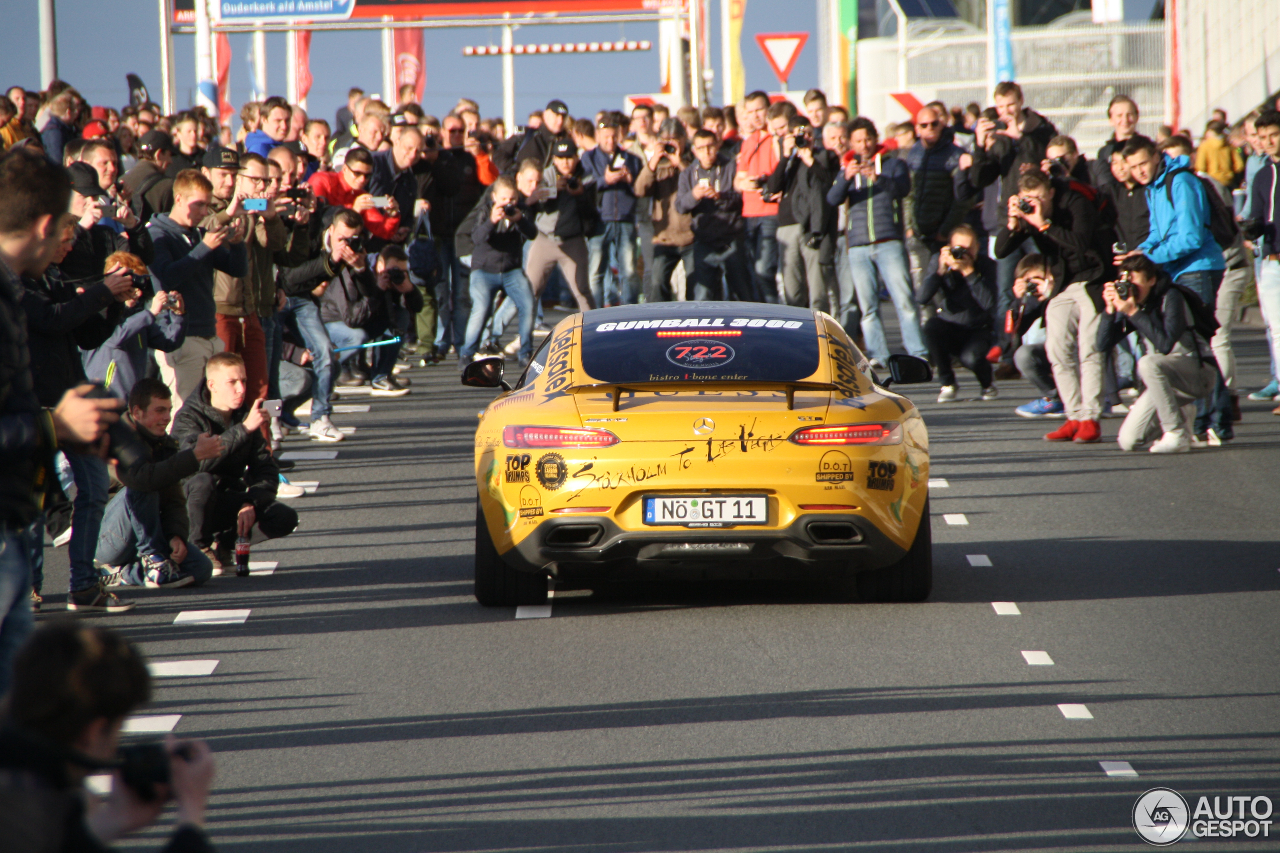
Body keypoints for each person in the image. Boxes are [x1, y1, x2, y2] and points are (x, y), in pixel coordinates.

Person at [0, 149, 122, 687]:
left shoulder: (28, 281)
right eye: (66, 232)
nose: (68, 246)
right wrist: (53, 426)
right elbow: (50, 323)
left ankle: (79, 581)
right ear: (47, 224)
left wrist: (112, 300)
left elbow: (78, 329)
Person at [0, 622, 217, 850]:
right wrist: (191, 812)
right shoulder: (29, 810)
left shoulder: (21, 782)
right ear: (93, 732)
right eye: (118, 729)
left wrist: (114, 819)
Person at [1123, 134, 1231, 441]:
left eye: (1143, 163)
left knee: (1198, 346)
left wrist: (1150, 256)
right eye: (1133, 167)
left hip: (1198, 269)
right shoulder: (1154, 187)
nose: (1140, 171)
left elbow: (1191, 237)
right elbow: (1157, 233)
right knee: (1188, 347)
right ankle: (1201, 421)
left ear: (1157, 156)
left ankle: (1215, 422)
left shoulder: (1180, 182)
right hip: (1177, 269)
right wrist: (1138, 254)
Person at [996, 170, 1109, 443]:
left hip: (1093, 277)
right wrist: (1014, 222)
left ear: (1050, 193)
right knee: (1057, 349)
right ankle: (1073, 416)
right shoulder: (1029, 212)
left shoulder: (1074, 201)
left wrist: (1044, 224)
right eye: (1027, 199)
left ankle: (1090, 419)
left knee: (1089, 350)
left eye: (1038, 198)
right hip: (1061, 284)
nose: (1033, 203)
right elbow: (1000, 251)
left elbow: (1082, 243)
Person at [172, 352, 298, 573]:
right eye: (232, 382)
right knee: (204, 481)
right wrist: (244, 429)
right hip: (188, 503)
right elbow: (196, 465)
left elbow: (266, 470)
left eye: (243, 381)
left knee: (285, 517)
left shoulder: (245, 415)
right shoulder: (188, 417)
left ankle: (224, 544)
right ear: (212, 385)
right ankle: (198, 547)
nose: (241, 389)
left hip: (226, 498)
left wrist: (250, 502)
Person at [97, 378, 219, 588]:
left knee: (201, 568)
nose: (167, 418)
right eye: (160, 410)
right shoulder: (118, 439)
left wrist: (175, 536)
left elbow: (174, 500)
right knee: (143, 484)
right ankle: (152, 558)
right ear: (137, 412)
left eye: (169, 410)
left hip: (147, 531)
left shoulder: (165, 444)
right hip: (107, 538)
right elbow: (140, 479)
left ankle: (127, 574)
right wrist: (194, 456)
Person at [826, 117, 928, 366]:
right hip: (858, 245)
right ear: (851, 143)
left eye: (868, 139)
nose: (864, 145)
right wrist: (845, 178)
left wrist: (877, 177)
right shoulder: (845, 168)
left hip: (889, 241)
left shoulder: (894, 164)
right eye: (858, 141)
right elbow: (832, 199)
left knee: (904, 300)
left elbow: (902, 189)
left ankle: (918, 353)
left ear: (876, 138)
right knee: (868, 306)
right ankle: (877, 354)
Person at [147, 167, 248, 405]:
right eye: (199, 205)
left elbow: (237, 269)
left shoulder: (197, 235)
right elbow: (167, 277)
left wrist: (237, 244)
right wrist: (204, 247)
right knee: (183, 412)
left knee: (213, 410)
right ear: (179, 199)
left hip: (208, 333)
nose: (204, 212)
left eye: (207, 206)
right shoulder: (158, 234)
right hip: (180, 336)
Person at [1099, 255, 1219, 452]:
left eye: (1135, 282)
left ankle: (1176, 432)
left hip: (1198, 374)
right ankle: (1183, 416)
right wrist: (1109, 310)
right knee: (1128, 441)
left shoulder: (1171, 296)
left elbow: (1165, 345)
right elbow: (1102, 345)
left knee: (1149, 363)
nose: (1130, 288)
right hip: (1165, 383)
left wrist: (1133, 313)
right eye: (1124, 282)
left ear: (1152, 280)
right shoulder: (1133, 303)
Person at [81, 251, 187, 402]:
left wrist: (178, 315)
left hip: (130, 401)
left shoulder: (138, 316)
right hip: (102, 398)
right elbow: (115, 338)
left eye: (139, 285)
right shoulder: (101, 310)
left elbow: (169, 342)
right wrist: (150, 312)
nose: (137, 292)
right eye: (131, 284)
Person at [458, 176, 537, 365]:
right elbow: (476, 238)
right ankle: (467, 353)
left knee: (528, 303)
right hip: (484, 270)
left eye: (512, 199)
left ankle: (525, 353)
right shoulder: (485, 210)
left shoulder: (521, 211)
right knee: (481, 308)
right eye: (504, 199)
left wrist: (520, 220)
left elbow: (532, 234)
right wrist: (491, 221)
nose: (508, 204)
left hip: (511, 270)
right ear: (494, 197)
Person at [320, 239, 416, 396]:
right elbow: (352, 319)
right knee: (357, 336)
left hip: (357, 319)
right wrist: (378, 290)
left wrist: (409, 289)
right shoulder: (348, 273)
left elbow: (415, 308)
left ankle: (381, 376)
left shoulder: (371, 272)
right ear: (379, 264)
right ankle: (325, 374)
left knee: (400, 316)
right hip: (333, 323)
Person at [915, 225, 997, 401]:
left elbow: (990, 304)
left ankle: (987, 385)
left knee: (971, 358)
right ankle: (947, 383)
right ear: (949, 247)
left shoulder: (986, 265)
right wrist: (940, 272)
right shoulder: (940, 261)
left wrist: (969, 273)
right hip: (949, 327)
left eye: (969, 249)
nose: (963, 254)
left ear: (978, 248)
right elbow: (922, 298)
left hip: (978, 329)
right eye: (959, 249)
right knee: (931, 326)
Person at [768, 115, 836, 313]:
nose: (803, 138)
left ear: (814, 135)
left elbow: (829, 184)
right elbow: (773, 187)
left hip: (812, 227)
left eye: (807, 133)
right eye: (799, 134)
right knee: (792, 290)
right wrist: (785, 155)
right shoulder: (789, 161)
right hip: (787, 227)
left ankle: (819, 333)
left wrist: (809, 160)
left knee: (818, 291)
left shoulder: (824, 157)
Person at [677, 129, 751, 301]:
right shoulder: (688, 173)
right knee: (703, 295)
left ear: (718, 145)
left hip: (731, 237)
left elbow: (742, 198)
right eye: (701, 148)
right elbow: (680, 206)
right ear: (694, 150)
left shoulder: (730, 166)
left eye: (710, 146)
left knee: (741, 291)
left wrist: (720, 197)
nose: (707, 152)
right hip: (704, 240)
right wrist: (694, 195)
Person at [524, 138, 597, 312]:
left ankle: (593, 331)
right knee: (528, 291)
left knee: (582, 290)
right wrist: (554, 189)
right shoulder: (546, 175)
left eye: (569, 157)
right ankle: (506, 333)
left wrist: (580, 195)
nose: (565, 162)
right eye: (560, 158)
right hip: (545, 239)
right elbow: (536, 201)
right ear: (554, 159)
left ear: (577, 158)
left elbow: (591, 214)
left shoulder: (586, 177)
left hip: (573, 240)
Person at [582, 114, 643, 307]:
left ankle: (631, 311)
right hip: (599, 220)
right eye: (606, 136)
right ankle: (594, 314)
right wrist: (605, 180)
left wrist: (629, 180)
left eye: (614, 136)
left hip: (625, 219)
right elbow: (584, 186)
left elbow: (641, 188)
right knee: (596, 271)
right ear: (598, 135)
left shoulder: (632, 159)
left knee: (630, 271)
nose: (610, 141)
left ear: (620, 136)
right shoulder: (588, 157)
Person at [635, 119, 694, 302]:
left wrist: (680, 163)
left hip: (691, 236)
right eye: (666, 139)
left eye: (675, 139)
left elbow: (696, 184)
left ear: (684, 139)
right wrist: (653, 162)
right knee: (657, 281)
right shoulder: (657, 165)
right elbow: (640, 190)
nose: (670, 144)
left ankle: (696, 322)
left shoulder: (693, 161)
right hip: (664, 237)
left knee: (695, 282)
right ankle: (660, 320)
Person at [1245, 109, 1280, 416]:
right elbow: (1257, 217)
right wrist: (1250, 228)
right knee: (1277, 329)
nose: (1269, 142)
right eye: (1263, 137)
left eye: (1274, 135)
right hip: (1270, 261)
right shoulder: (1262, 174)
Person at [734, 91, 781, 303]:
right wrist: (745, 183)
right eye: (750, 111)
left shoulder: (776, 138)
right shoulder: (748, 142)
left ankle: (776, 316)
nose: (755, 116)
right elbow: (738, 180)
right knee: (755, 272)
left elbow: (782, 170)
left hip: (771, 211)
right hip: (749, 213)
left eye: (759, 110)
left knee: (764, 269)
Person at [307, 147, 405, 244]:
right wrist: (354, 211)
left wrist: (393, 214)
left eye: (367, 175)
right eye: (357, 173)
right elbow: (318, 218)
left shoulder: (361, 196)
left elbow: (384, 231)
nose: (363, 179)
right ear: (345, 169)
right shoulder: (321, 180)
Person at [1008, 254, 1064, 417]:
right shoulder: (1032, 300)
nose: (1033, 285)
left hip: (1077, 350)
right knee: (1024, 355)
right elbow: (1012, 336)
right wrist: (1019, 302)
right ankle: (1055, 398)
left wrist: (1051, 294)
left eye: (1037, 279)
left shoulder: (1065, 292)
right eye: (1028, 282)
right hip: (1053, 351)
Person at [1093, 95, 1140, 189]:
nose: (1125, 120)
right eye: (1119, 115)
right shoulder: (1104, 152)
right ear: (1111, 120)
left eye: (1129, 114)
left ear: (1136, 117)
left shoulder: (1147, 148)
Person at [1195, 120, 1243, 189]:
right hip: (1229, 182)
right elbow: (1239, 165)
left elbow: (1201, 167)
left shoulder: (1204, 146)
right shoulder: (1229, 145)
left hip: (1212, 183)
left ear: (1210, 131)